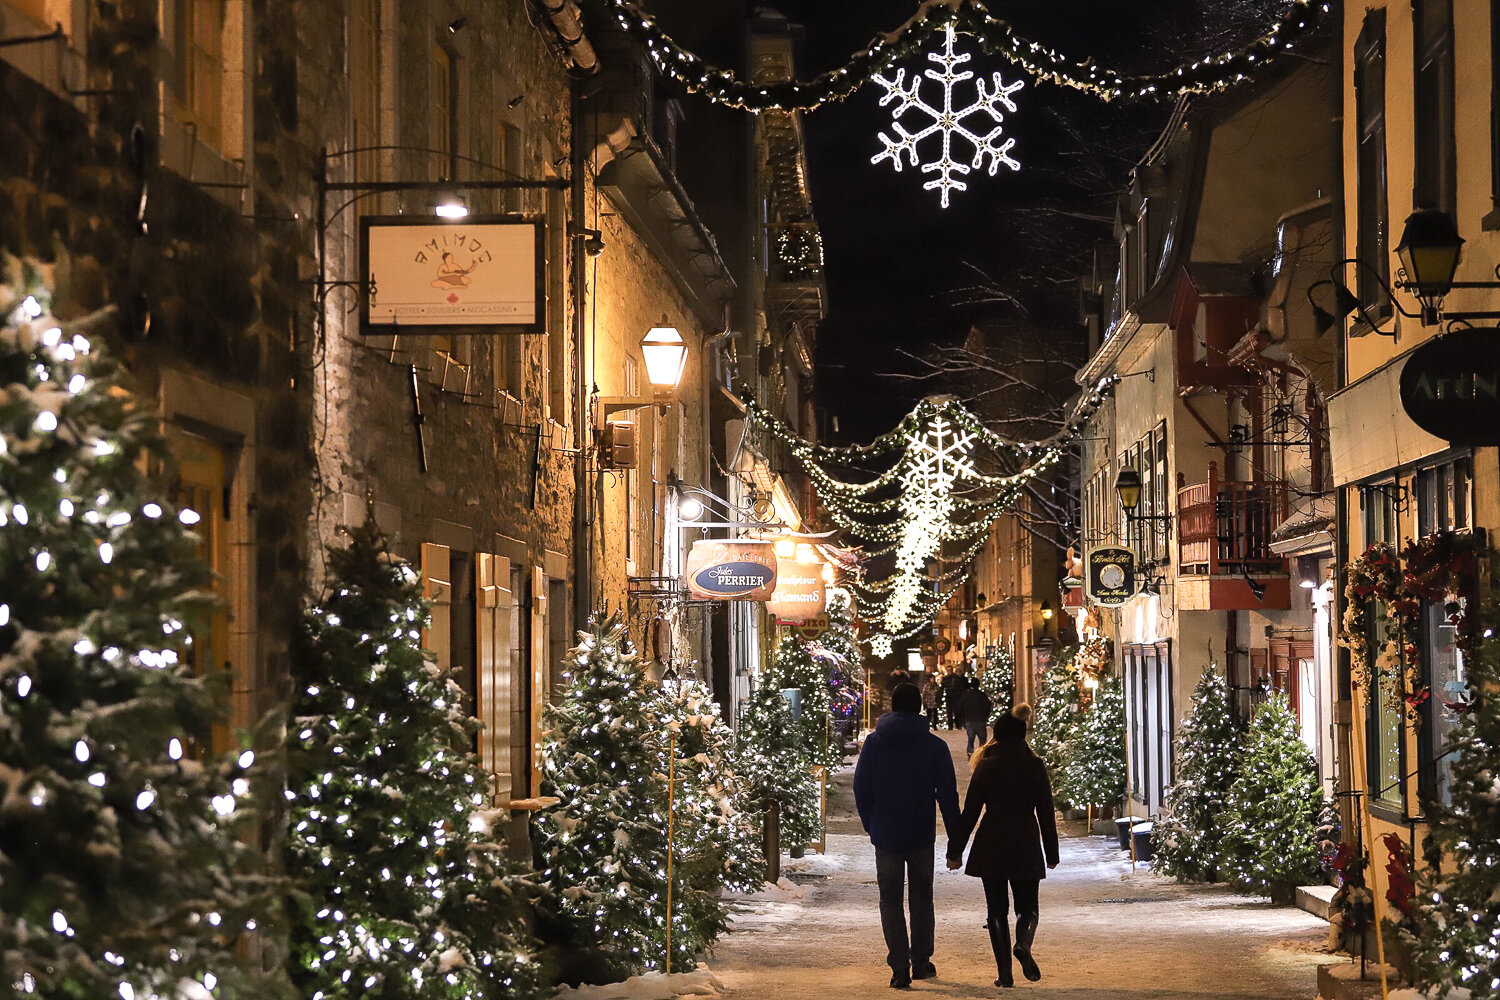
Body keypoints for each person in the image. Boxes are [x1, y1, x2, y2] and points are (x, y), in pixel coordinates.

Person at [854, 683, 962, 989]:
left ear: (891, 705)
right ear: (919, 707)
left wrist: (870, 823)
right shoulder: (934, 747)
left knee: (889, 899)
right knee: (921, 898)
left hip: (886, 833)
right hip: (919, 833)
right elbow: (948, 797)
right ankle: (921, 962)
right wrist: (955, 840)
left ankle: (899, 966)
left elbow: (861, 787)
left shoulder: (875, 744)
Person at [946, 708, 1060, 989]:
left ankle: (1005, 974)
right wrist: (1052, 851)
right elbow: (1046, 811)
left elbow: (970, 811)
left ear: (996, 736)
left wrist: (955, 850)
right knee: (1028, 907)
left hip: (992, 839)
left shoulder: (987, 765)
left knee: (995, 909)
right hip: (1025, 839)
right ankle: (1023, 944)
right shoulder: (1035, 766)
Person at [958, 677, 993, 755]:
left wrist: (963, 719)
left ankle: (970, 751)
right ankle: (982, 753)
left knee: (971, 738)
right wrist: (985, 716)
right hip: (980, 720)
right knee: (982, 739)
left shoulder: (966, 695)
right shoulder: (982, 695)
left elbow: (960, 707)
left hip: (969, 720)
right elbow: (988, 706)